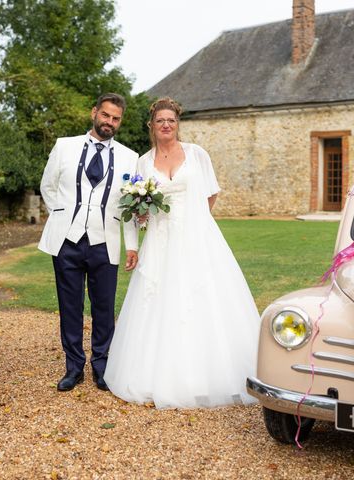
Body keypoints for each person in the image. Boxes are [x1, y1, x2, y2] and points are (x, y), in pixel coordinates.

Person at [104, 97, 261, 408]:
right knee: (158, 299)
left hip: (197, 236)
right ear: (151, 125)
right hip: (160, 241)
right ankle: (157, 376)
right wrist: (143, 223)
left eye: (171, 120)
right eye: (160, 120)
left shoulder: (196, 154)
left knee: (203, 296)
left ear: (177, 124)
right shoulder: (143, 162)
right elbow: (136, 207)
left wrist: (196, 220)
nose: (166, 125)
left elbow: (212, 192)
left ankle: (211, 376)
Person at [39, 93, 139, 392]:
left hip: (104, 242)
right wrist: (61, 216)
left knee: (104, 307)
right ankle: (73, 367)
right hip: (67, 242)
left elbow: (130, 206)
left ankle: (101, 365)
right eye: (106, 115)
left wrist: (131, 245)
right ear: (94, 113)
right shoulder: (64, 146)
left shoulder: (129, 157)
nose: (110, 122)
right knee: (69, 306)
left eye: (116, 118)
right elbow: (48, 185)